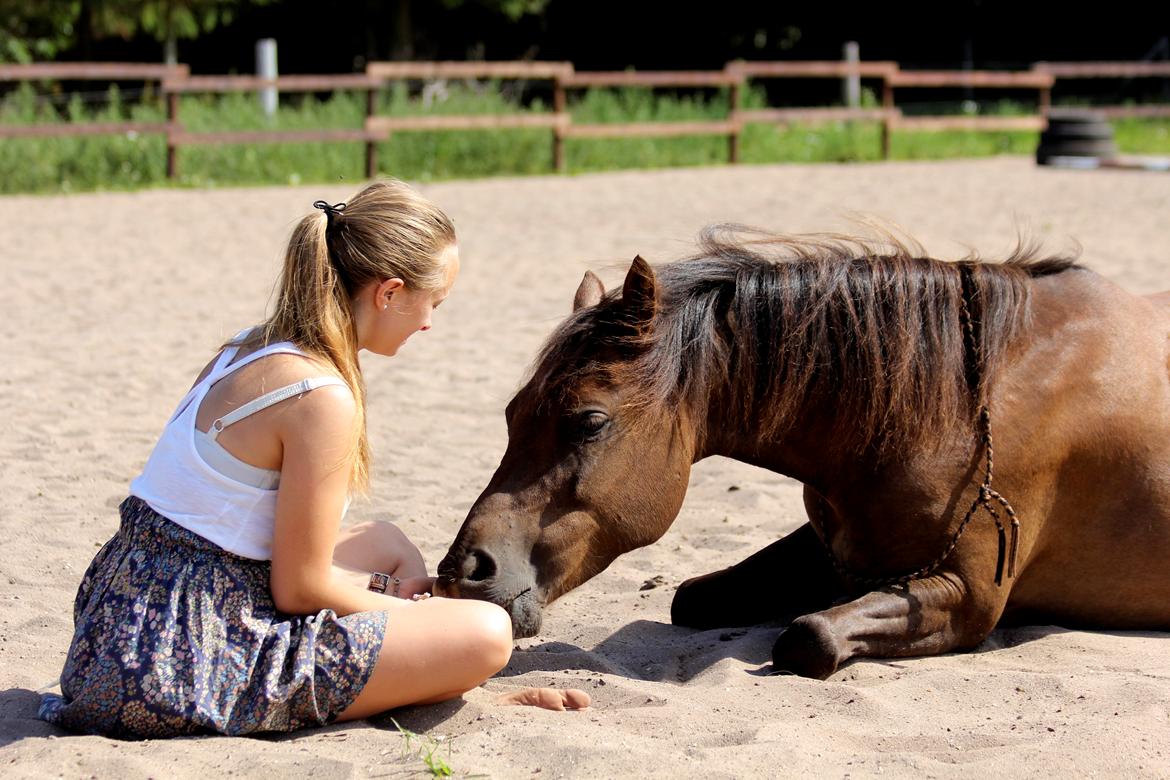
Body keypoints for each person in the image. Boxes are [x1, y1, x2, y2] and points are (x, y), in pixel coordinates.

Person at [39, 179, 586, 738]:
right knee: (487, 632)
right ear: (389, 292)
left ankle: (416, 675)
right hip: (168, 658)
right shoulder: (320, 396)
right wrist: (415, 615)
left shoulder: (248, 346)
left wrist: (381, 594)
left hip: (125, 612)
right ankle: (432, 686)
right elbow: (297, 590)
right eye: (434, 303)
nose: (429, 323)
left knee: (389, 543)